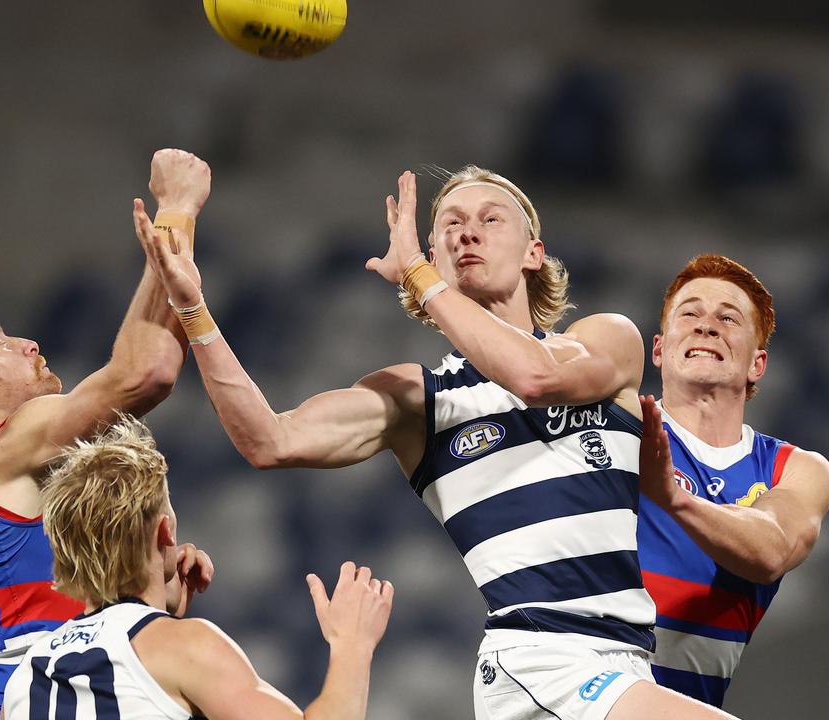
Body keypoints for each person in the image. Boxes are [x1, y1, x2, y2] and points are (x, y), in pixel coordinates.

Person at [146, 166, 735, 718]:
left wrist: (421, 279)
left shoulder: (605, 341)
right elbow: (268, 440)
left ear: (535, 253)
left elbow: (536, 377)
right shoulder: (419, 401)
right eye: (450, 225)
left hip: (626, 661)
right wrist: (193, 309)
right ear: (434, 260)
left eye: (490, 219)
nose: (467, 233)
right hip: (543, 660)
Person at [0, 149, 212, 719]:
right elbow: (146, 373)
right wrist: (176, 210)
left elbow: (29, 611)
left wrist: (153, 595)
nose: (26, 343)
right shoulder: (7, 444)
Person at [2, 414, 394, 720]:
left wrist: (160, 605)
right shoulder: (185, 647)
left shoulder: (25, 676)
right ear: (165, 531)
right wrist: (352, 645)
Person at [636, 254, 829, 708]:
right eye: (689, 313)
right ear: (660, 349)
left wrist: (673, 499)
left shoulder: (794, 469)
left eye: (728, 318)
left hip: (687, 706)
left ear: (757, 364)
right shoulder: (619, 427)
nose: (707, 327)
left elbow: (772, 551)